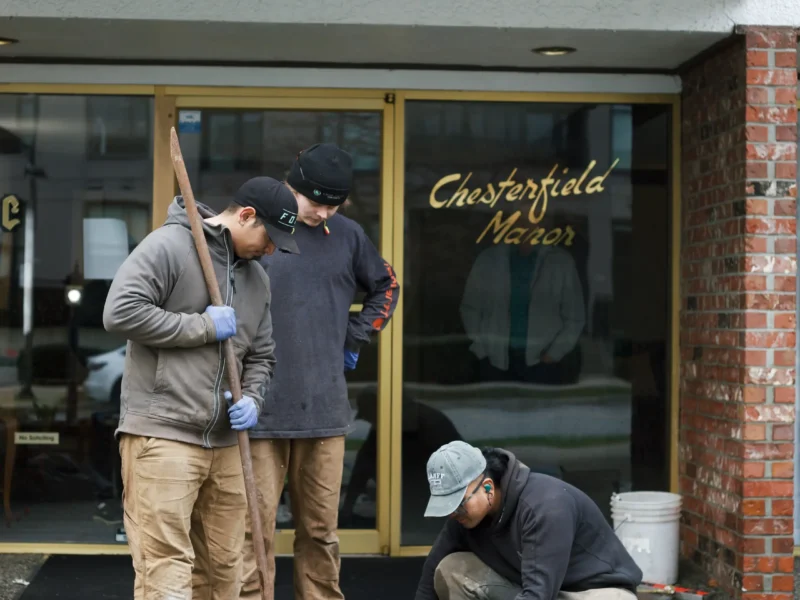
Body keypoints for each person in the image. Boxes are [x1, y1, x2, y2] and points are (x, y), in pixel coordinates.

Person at [103, 176, 300, 600]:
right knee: (165, 567)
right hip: (163, 434)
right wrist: (203, 326)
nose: (271, 251)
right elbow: (119, 313)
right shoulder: (170, 246)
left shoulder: (257, 281)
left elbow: (262, 357)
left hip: (227, 444)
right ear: (246, 215)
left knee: (225, 570)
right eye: (270, 237)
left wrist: (253, 397)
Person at [238, 142, 399, 600]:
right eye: (316, 203)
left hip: (324, 409)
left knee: (321, 533)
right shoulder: (258, 229)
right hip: (259, 408)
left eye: (334, 205)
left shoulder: (348, 236)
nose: (324, 213)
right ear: (292, 187)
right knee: (254, 532)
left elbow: (387, 284)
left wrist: (355, 334)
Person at [415, 441, 642, 600]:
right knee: (451, 568)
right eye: (448, 506)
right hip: (535, 591)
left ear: (487, 487)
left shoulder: (544, 507)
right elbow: (430, 573)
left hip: (594, 592)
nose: (453, 513)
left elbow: (538, 596)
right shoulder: (464, 517)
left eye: (458, 503)